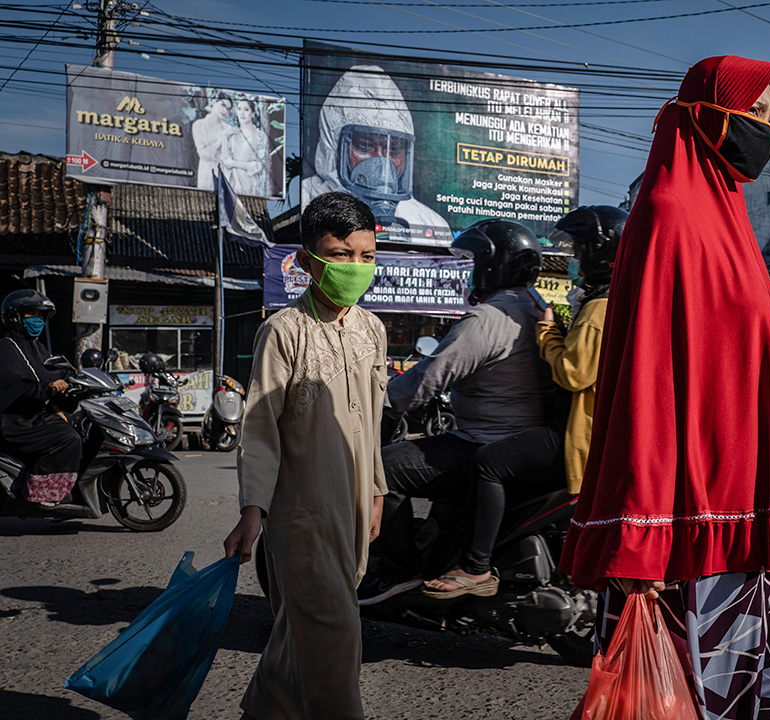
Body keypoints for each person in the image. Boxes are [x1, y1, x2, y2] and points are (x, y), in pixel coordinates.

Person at [560, 56, 770, 719]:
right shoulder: (668, 212)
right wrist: (642, 537)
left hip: (743, 503)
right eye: (756, 116)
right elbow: (648, 381)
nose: (766, 134)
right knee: (711, 698)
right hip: (686, 517)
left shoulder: (731, 219)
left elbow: (723, 361)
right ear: (706, 113)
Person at [222, 191, 386, 720]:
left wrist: (378, 490)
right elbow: (261, 427)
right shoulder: (284, 331)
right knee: (336, 635)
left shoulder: (373, 329)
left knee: (302, 636)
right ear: (308, 261)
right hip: (303, 513)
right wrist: (253, 511)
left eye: (365, 255)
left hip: (356, 509)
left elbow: (373, 421)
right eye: (340, 255)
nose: (354, 267)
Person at [359, 219, 563, 604]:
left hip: (484, 441)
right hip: (527, 443)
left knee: (382, 468)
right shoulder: (537, 307)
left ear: (493, 265)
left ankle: (400, 571)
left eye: (476, 263)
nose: (472, 273)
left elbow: (427, 380)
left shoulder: (486, 319)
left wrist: (377, 403)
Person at [302, 65, 452, 244]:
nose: (381, 162)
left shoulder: (430, 225)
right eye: (365, 145)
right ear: (333, 145)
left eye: (393, 149)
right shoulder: (307, 203)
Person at [535, 205, 626, 495]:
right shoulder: (617, 300)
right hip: (605, 436)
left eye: (578, 251)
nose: (573, 259)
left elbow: (572, 374)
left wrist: (546, 332)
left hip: (585, 440)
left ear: (598, 254)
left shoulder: (598, 309)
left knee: (488, 464)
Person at [0, 290, 81, 507]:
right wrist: (46, 389)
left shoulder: (38, 347)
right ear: (15, 316)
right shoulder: (6, 347)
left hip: (37, 414)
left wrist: (74, 382)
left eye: (41, 315)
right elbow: (11, 384)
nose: (38, 320)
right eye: (32, 314)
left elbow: (53, 371)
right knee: (68, 437)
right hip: (16, 420)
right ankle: (41, 491)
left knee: (83, 427)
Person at [221, 97, 270, 197]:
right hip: (233, 185)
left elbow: (258, 165)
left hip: (251, 186)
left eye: (246, 109)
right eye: (239, 109)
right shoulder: (232, 134)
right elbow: (225, 162)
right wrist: (225, 136)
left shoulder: (260, 136)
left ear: (253, 113)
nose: (242, 113)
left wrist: (234, 163)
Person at [192, 91, 233, 191]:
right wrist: (222, 138)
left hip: (225, 175)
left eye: (228, 108)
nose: (225, 111)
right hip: (207, 173)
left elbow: (230, 155)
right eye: (223, 105)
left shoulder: (228, 128)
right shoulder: (199, 125)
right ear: (214, 102)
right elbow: (203, 154)